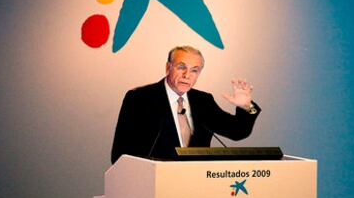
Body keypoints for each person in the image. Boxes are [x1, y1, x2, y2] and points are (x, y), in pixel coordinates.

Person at [111, 46, 261, 164]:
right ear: (168, 67)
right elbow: (120, 154)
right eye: (181, 67)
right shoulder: (140, 98)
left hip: (195, 185)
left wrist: (247, 107)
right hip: (153, 184)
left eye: (194, 70)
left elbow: (237, 132)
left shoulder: (203, 101)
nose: (187, 75)